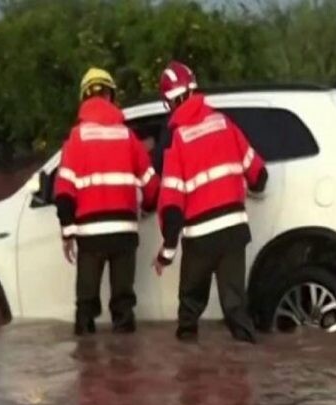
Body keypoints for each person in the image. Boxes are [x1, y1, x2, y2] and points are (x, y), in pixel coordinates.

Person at [153, 61, 268, 343]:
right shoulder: (224, 123)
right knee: (235, 308)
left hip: (200, 240)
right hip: (233, 232)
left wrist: (166, 253)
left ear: (169, 101)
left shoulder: (177, 139)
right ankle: (246, 374)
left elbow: (171, 205)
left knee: (189, 313)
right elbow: (259, 176)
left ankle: (190, 382)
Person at [54, 67, 160, 335]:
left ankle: (87, 363)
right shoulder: (128, 137)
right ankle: (125, 367)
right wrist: (147, 208)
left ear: (84, 98)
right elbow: (152, 187)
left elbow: (64, 194)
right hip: (124, 234)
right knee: (123, 305)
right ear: (111, 96)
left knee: (86, 305)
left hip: (90, 236)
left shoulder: (76, 139)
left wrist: (67, 233)